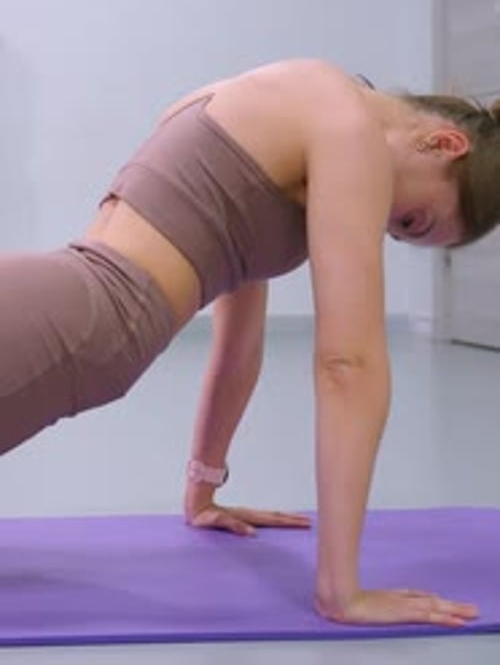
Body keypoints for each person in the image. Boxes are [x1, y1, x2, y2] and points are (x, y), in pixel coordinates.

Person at [1, 58, 498, 628]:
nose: (387, 224)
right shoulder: (345, 125)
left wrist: (203, 490)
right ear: (444, 143)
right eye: (412, 221)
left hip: (74, 321)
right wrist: (342, 592)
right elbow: (348, 364)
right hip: (79, 317)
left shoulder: (282, 110)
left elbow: (238, 344)